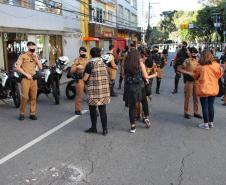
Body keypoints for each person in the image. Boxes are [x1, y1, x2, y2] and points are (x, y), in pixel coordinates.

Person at [124, 44, 157, 133]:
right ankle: (146, 118)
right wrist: (155, 74)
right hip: (140, 87)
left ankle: (133, 127)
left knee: (132, 107)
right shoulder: (140, 63)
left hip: (129, 87)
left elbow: (124, 76)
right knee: (144, 102)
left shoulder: (126, 64)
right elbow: (146, 76)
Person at [192, 50, 224, 129]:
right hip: (213, 88)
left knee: (205, 106)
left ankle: (205, 124)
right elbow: (220, 75)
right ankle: (211, 123)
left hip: (203, 89)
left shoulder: (200, 67)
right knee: (211, 106)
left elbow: (195, 76)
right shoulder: (216, 65)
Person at [83, 47, 111, 136]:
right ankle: (105, 130)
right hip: (104, 89)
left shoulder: (90, 64)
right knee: (103, 110)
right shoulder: (103, 62)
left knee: (92, 109)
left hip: (94, 90)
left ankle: (94, 127)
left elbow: (85, 78)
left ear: (91, 54)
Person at [16, 41, 42, 120]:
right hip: (25, 79)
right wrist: (26, 74)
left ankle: (32, 113)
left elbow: (40, 67)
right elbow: (18, 67)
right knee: (25, 97)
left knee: (33, 97)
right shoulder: (23, 55)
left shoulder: (35, 56)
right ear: (28, 47)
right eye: (32, 47)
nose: (33, 49)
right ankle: (22, 113)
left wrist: (36, 58)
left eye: (34, 47)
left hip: (34, 79)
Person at [177, 47, 202, 119]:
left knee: (196, 97)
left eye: (195, 53)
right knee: (188, 97)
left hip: (196, 81)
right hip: (189, 81)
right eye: (193, 53)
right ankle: (186, 112)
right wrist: (188, 73)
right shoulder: (187, 61)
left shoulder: (198, 60)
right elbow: (179, 68)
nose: (195, 54)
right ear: (190, 53)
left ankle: (196, 112)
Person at [70, 47, 89, 115]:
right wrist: (77, 67)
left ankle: (95, 110)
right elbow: (71, 70)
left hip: (88, 79)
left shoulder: (88, 60)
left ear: (86, 52)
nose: (83, 53)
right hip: (80, 79)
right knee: (79, 95)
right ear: (79, 52)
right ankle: (77, 110)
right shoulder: (76, 60)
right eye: (81, 52)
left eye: (84, 52)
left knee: (91, 95)